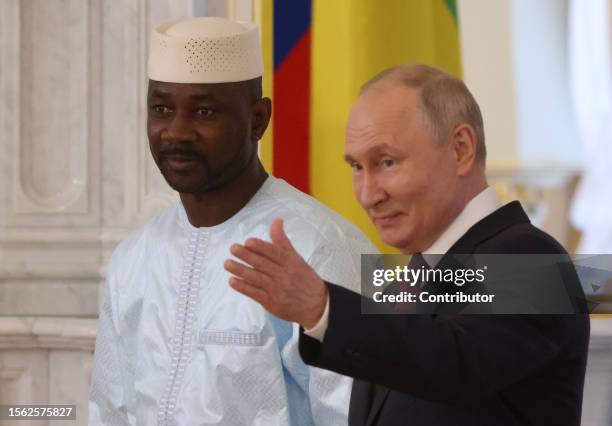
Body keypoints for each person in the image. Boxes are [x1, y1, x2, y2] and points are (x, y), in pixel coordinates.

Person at [225, 64, 591, 425]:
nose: (368, 195)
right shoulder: (406, 280)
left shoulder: (536, 259)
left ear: (461, 149)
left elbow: (455, 363)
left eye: (387, 162)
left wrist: (322, 307)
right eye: (356, 167)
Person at [88, 17, 376, 425]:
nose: (176, 132)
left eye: (204, 111)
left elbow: (358, 415)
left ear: (258, 119)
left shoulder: (320, 247)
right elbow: (108, 412)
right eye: (161, 109)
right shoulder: (133, 258)